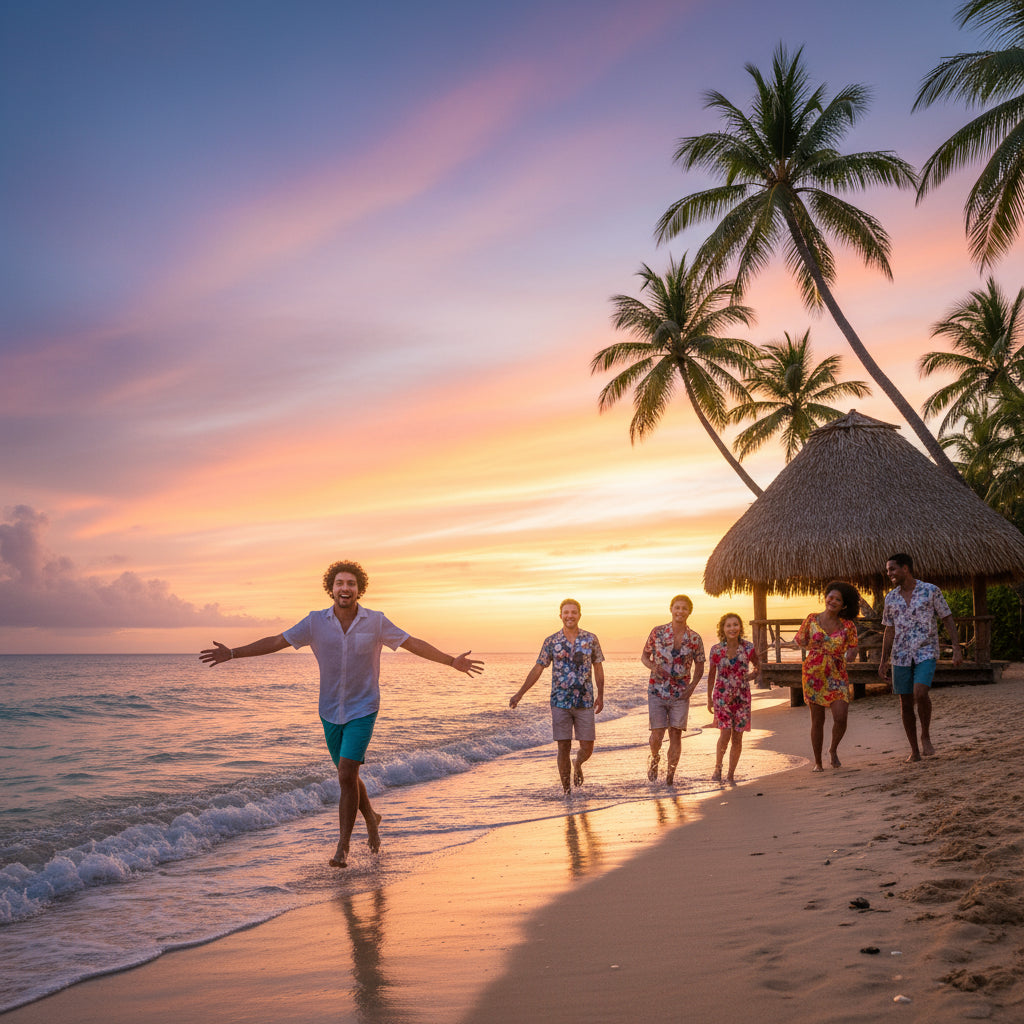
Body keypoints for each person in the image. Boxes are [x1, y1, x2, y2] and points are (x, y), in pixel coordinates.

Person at [200, 560, 483, 867]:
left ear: (359, 589)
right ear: (330, 589)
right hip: (330, 709)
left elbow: (411, 642)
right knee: (347, 776)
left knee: (347, 772)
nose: (345, 588)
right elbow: (277, 641)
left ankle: (343, 847)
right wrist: (232, 653)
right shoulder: (314, 622)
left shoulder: (376, 621)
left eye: (351, 584)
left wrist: (449, 661)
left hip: (364, 707)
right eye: (339, 583)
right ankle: (372, 817)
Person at [509, 599, 605, 793]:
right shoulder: (551, 641)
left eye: (573, 612)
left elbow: (598, 667)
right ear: (560, 615)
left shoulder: (591, 639)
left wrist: (601, 695)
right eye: (566, 612)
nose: (570, 616)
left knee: (587, 747)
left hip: (585, 701)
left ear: (579, 615)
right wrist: (520, 693)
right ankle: (566, 792)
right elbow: (538, 668)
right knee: (563, 746)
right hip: (559, 702)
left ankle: (578, 763)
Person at [878, 553, 962, 762]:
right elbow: (889, 630)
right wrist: (883, 661)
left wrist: (957, 648)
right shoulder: (891, 597)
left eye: (892, 569)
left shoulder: (930, 591)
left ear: (905, 568)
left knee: (920, 692)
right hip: (900, 655)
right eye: (888, 570)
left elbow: (947, 618)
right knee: (905, 703)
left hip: (926, 650)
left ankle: (925, 734)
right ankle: (914, 750)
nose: (889, 573)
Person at [788, 582, 860, 772]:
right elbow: (800, 641)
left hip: (837, 673)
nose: (833, 601)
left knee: (841, 716)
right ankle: (818, 762)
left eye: (838, 599)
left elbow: (853, 647)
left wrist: (851, 654)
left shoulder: (848, 626)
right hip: (814, 674)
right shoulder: (812, 619)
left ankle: (833, 749)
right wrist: (816, 649)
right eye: (831, 597)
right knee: (817, 720)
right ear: (825, 597)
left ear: (844, 605)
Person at [640, 594, 705, 785]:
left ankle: (670, 777)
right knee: (657, 734)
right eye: (677, 607)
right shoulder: (657, 632)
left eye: (684, 608)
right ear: (671, 609)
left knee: (676, 733)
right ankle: (655, 757)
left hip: (681, 693)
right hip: (657, 690)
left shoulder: (694, 638)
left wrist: (692, 687)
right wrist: (653, 667)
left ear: (689, 612)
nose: (680, 611)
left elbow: (700, 667)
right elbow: (644, 657)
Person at [706, 613, 759, 784]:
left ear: (740, 627)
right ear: (723, 629)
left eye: (735, 625)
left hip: (742, 698)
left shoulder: (748, 648)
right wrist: (708, 699)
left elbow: (759, 667)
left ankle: (730, 774)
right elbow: (711, 676)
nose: (732, 628)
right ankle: (718, 767)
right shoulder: (716, 650)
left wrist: (750, 677)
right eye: (728, 625)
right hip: (722, 697)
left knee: (738, 737)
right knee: (725, 733)